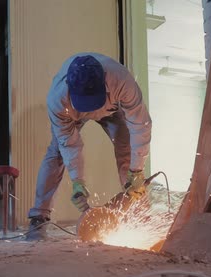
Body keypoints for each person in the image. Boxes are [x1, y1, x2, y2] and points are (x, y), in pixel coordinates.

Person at [26, 53, 152, 240]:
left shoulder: (122, 81)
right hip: (71, 114)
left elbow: (140, 126)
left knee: (126, 150)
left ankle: (139, 212)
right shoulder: (57, 100)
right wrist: (78, 181)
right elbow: (69, 144)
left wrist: (137, 170)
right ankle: (38, 218)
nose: (90, 110)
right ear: (70, 87)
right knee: (57, 154)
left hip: (113, 109)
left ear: (104, 82)